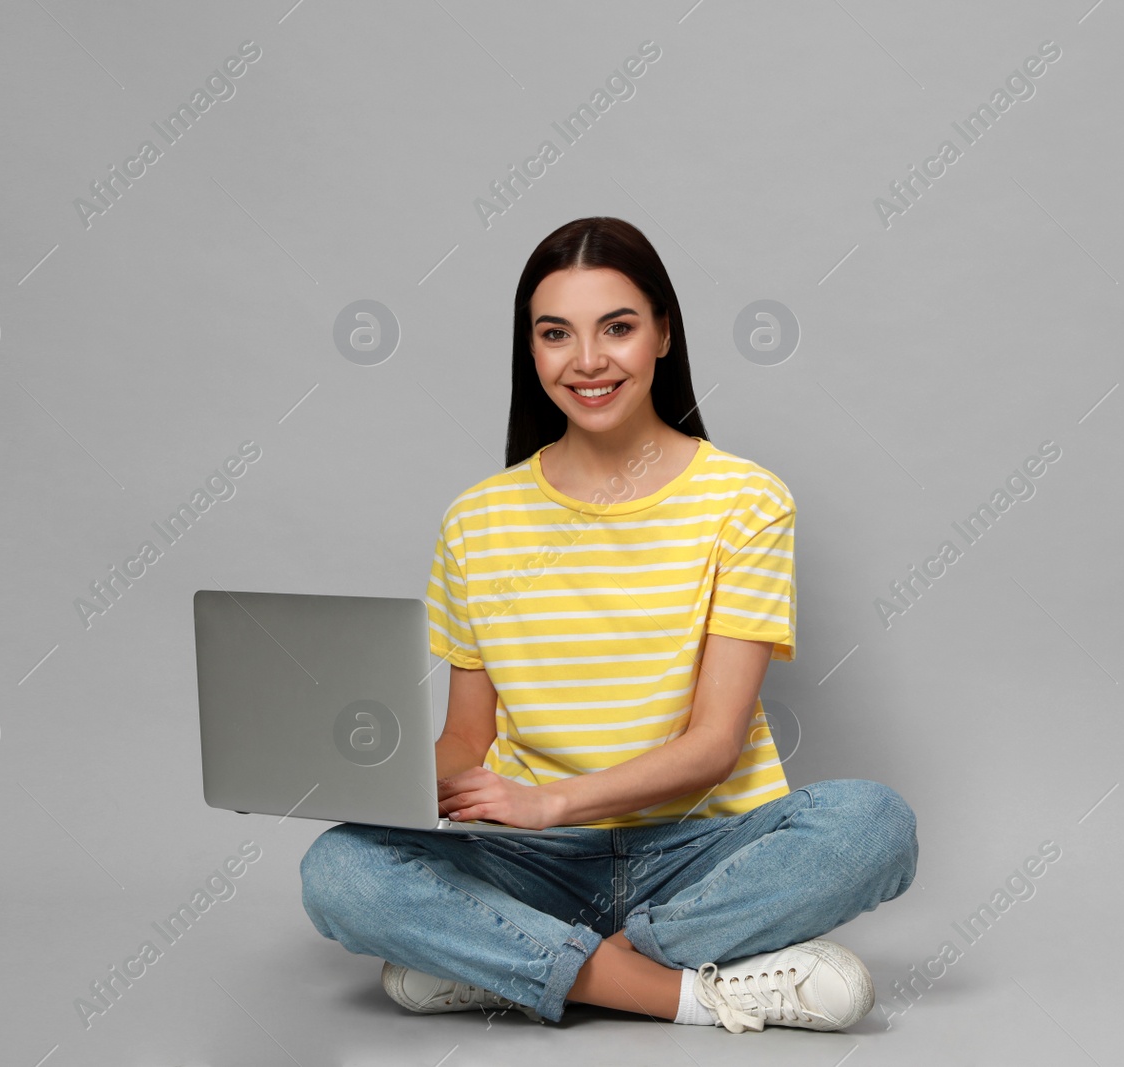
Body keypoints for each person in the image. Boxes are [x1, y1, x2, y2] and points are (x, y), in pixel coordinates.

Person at [300, 216, 917, 1033]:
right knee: (340, 870)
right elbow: (465, 741)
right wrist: (366, 768)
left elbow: (712, 748)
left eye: (617, 328)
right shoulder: (475, 521)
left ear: (663, 333)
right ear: (532, 350)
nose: (587, 361)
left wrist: (553, 801)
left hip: (699, 850)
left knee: (872, 824)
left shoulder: (746, 502)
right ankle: (690, 992)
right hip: (530, 859)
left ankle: (515, 963)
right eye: (556, 334)